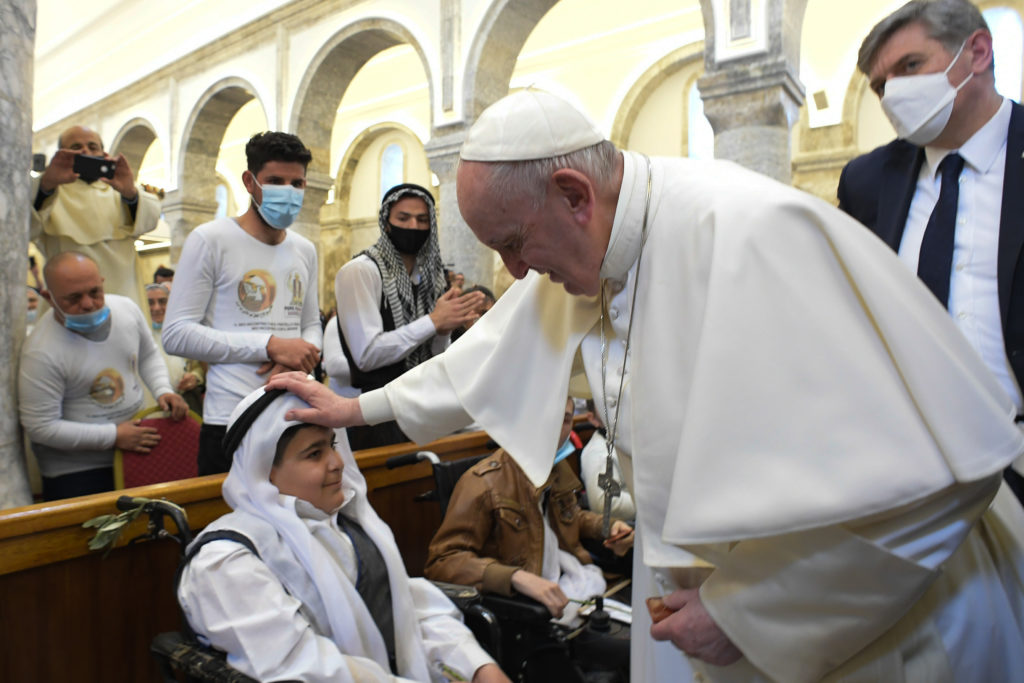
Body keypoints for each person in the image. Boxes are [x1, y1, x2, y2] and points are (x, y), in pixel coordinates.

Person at [269, 89, 1024, 682]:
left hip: (869, 626)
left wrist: (749, 614)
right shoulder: (588, 246)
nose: (516, 273)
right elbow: (482, 362)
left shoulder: (754, 236)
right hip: (698, 596)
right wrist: (353, 406)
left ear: (573, 193)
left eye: (512, 243)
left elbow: (932, 488)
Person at [176, 385, 509, 683]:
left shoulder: (350, 527)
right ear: (265, 472)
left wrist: (478, 667)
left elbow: (409, 613)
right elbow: (300, 667)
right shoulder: (227, 562)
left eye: (332, 445)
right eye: (314, 454)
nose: (336, 463)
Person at [838, 0, 1024, 506]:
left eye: (910, 66)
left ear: (978, 52)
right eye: (880, 86)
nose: (894, 92)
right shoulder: (868, 182)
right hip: (917, 466)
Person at [162, 131, 322, 475]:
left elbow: (311, 322)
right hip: (231, 416)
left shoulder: (305, 249)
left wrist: (301, 358)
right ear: (250, 182)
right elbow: (176, 334)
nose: (289, 193)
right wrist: (270, 346)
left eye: (297, 183)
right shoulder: (211, 239)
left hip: (293, 408)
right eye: (276, 181)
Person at [425, 397, 633, 615]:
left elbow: (571, 516)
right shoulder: (482, 483)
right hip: (523, 609)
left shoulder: (556, 467)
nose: (555, 428)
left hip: (574, 583)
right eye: (547, 417)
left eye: (564, 419)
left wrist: (608, 526)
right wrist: (513, 577)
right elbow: (442, 562)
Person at [18, 252, 187, 500]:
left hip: (133, 451)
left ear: (103, 282)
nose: (88, 304)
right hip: (77, 471)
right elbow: (41, 428)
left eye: (95, 292)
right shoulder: (41, 352)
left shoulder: (126, 310)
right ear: (49, 297)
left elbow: (148, 355)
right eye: (73, 298)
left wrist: (163, 389)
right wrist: (114, 436)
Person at [332, 183, 482, 449]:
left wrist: (445, 328)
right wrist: (433, 321)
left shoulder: (432, 279)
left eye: (422, 220)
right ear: (386, 222)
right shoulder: (360, 271)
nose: (413, 226)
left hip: (423, 407)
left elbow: (435, 356)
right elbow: (367, 355)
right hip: (376, 415)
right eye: (403, 218)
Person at [30, 125, 161, 310]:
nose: (85, 151)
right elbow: (23, 229)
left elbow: (151, 219)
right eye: (76, 147)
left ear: (104, 153)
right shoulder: (49, 192)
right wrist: (46, 186)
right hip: (68, 304)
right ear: (60, 154)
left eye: (93, 147)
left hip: (122, 296)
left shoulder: (121, 191)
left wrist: (130, 192)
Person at [145, 282, 205, 415]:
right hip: (150, 408)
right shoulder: (138, 335)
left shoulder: (182, 333)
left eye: (162, 301)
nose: (156, 307)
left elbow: (198, 367)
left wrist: (194, 377)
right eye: (150, 302)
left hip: (184, 405)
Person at [578, 401, 635, 524]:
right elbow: (605, 502)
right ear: (593, 419)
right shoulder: (598, 454)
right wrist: (652, 505)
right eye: (609, 406)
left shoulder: (629, 440)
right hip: (627, 526)